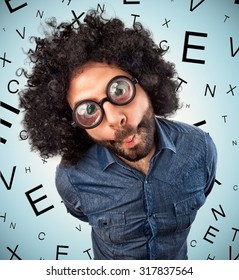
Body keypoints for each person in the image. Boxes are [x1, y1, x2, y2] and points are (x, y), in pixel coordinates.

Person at [19, 10, 217, 260]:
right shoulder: (72, 178)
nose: (114, 119)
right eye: (88, 110)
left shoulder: (199, 148)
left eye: (119, 89)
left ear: (147, 82)